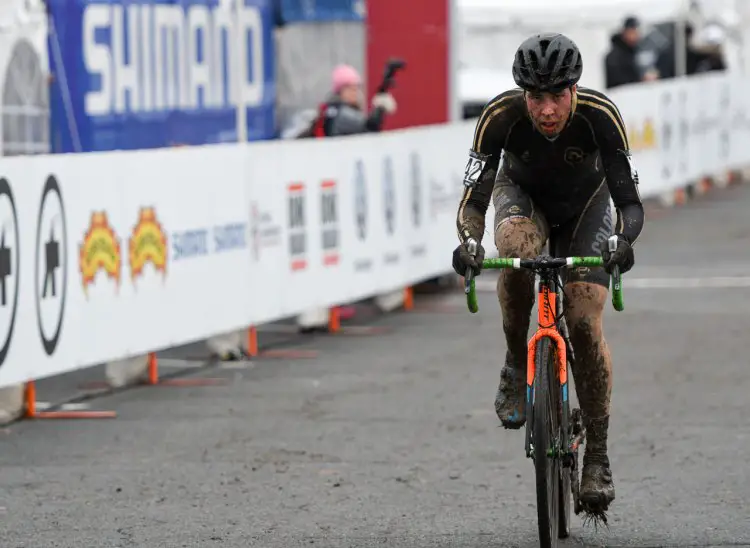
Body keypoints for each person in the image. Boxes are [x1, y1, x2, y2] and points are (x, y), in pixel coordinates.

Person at [451, 33, 644, 514]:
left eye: (557, 95)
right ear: (523, 94)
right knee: (515, 251)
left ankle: (596, 456)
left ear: (574, 90)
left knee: (582, 319)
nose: (548, 110)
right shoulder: (500, 117)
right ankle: (518, 362)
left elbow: (629, 205)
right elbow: (473, 202)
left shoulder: (601, 116)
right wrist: (469, 242)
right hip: (524, 199)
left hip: (588, 208)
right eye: (536, 97)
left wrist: (623, 241)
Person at [306, 64, 396, 138]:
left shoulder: (330, 111)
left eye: (356, 88)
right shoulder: (343, 113)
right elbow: (370, 128)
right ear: (340, 91)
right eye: (351, 89)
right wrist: (380, 108)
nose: (355, 93)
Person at [605, 16, 644, 88]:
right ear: (625, 32)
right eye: (632, 32)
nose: (636, 36)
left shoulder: (632, 52)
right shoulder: (615, 57)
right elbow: (620, 82)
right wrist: (641, 80)